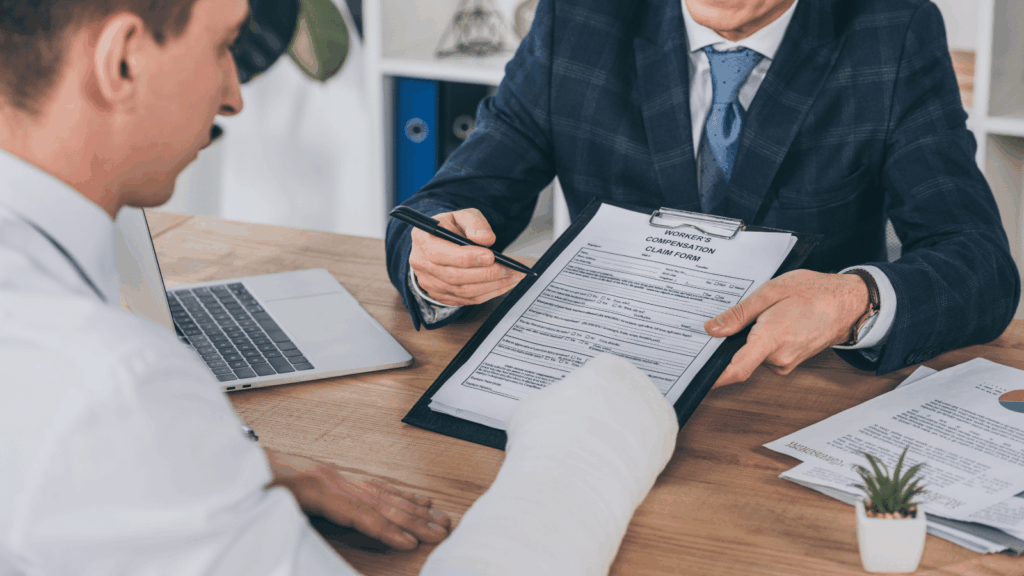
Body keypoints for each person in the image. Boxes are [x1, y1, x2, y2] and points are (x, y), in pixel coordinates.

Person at [0, 0, 454, 571]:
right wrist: (581, 423)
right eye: (223, 46)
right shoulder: (110, 387)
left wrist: (219, 471)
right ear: (122, 63)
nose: (234, 97)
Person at [385, 0, 1021, 386]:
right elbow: (448, 199)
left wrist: (853, 298)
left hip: (789, 393)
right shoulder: (578, 15)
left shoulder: (894, 29)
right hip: (598, 377)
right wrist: (433, 256)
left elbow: (982, 266)